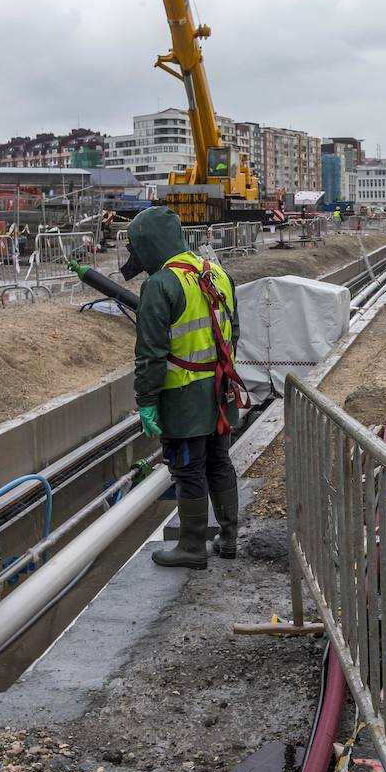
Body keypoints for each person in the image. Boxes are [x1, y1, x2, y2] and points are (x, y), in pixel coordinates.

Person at [126, 205, 248, 569]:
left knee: (187, 469)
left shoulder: (160, 284)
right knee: (219, 461)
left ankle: (192, 546)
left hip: (183, 398)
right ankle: (228, 538)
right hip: (220, 391)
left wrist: (146, 401)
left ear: (150, 243)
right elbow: (234, 334)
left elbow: (150, 354)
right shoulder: (218, 274)